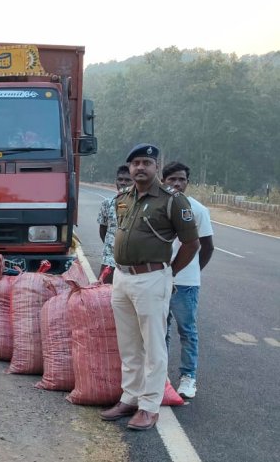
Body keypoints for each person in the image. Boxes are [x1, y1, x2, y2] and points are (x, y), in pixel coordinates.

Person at [99, 143, 199, 431]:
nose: (140, 167)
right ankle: (129, 398)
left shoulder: (172, 200)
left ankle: (149, 406)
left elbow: (192, 244)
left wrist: (169, 273)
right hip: (122, 277)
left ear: (156, 167)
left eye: (146, 162)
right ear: (129, 169)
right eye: (135, 164)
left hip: (152, 277)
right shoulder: (124, 198)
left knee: (153, 346)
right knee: (128, 345)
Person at [162, 161, 214, 399]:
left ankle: (188, 377)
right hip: (158, 279)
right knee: (159, 330)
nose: (177, 183)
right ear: (163, 181)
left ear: (187, 183)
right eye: (172, 179)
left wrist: (192, 271)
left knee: (187, 330)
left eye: (182, 179)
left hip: (186, 283)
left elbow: (207, 247)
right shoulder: (157, 207)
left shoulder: (198, 210)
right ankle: (159, 375)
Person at [97, 165, 134, 283]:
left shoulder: (141, 204)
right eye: (120, 179)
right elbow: (103, 229)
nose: (123, 183)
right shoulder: (108, 203)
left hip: (132, 263)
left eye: (128, 180)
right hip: (109, 260)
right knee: (104, 293)